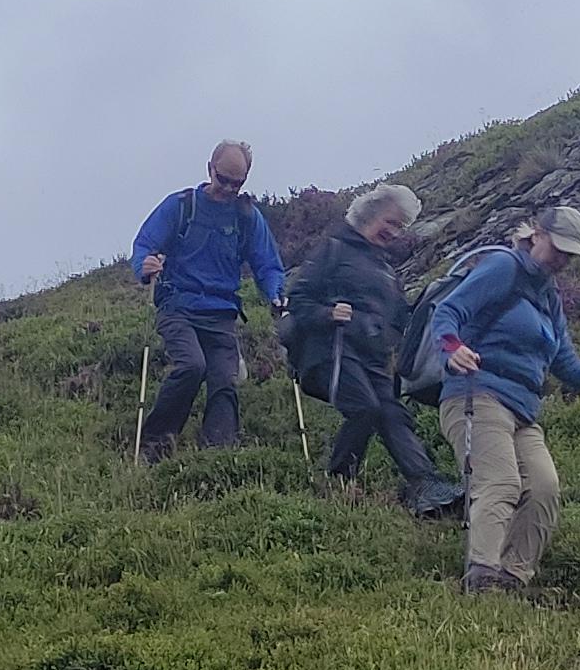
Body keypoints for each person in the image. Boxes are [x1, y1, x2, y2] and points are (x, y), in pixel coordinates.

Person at [429, 199, 580, 594]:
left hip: (522, 409)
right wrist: (452, 349)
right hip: (476, 393)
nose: (562, 260)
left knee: (543, 489)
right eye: (559, 249)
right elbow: (449, 312)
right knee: (500, 483)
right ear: (536, 235)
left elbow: (567, 366)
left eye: (570, 255)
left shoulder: (549, 299)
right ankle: (481, 578)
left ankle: (513, 578)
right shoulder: (503, 267)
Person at [284, 181, 464, 517]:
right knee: (365, 408)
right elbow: (298, 300)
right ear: (371, 213)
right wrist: (328, 313)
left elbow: (400, 316)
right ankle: (338, 482)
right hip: (331, 350)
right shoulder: (335, 249)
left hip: (372, 358)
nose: (395, 232)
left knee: (393, 413)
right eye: (391, 222)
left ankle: (426, 485)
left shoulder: (384, 267)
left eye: (401, 227)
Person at [130, 139, 287, 458]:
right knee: (191, 366)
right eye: (223, 179)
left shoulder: (246, 217)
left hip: (222, 313)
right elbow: (145, 243)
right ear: (210, 169)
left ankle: (217, 455)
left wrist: (276, 294)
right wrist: (144, 267)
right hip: (178, 306)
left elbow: (267, 263)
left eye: (237, 183)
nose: (229, 188)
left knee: (225, 381)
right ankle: (155, 445)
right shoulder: (181, 206)